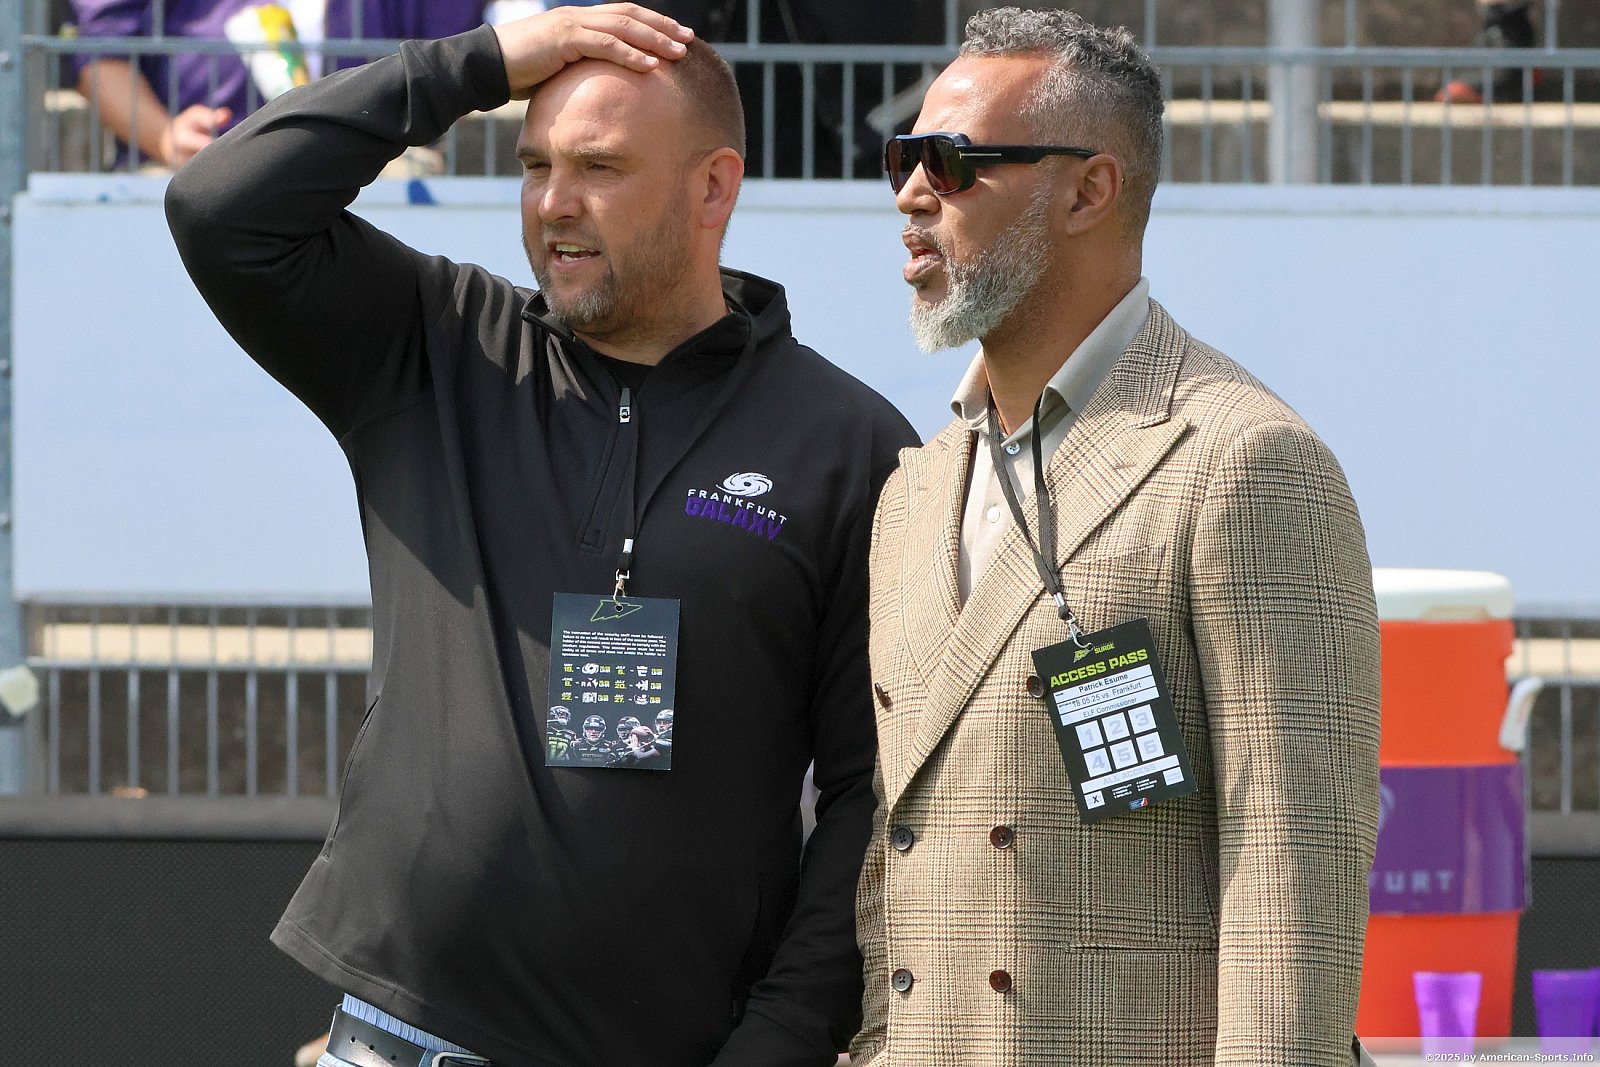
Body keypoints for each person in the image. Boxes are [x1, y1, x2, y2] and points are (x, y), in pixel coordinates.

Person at [165, 5, 917, 1065]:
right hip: (391, 1040)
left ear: (713, 187)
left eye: (599, 167)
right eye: (534, 165)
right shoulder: (437, 343)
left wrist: (782, 1040)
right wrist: (480, 63)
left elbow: (871, 795)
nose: (555, 203)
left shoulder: (848, 444)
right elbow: (218, 206)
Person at [851, 8, 1380, 1067]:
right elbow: (893, 857)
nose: (910, 194)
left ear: (1089, 190)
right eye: (902, 158)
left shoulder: (1241, 457)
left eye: (951, 162)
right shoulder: (912, 490)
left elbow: (1292, 870)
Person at [69, 0, 493, 169]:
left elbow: (452, 57)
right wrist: (166, 138)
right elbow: (100, 59)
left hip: (371, 175)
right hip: (189, 169)